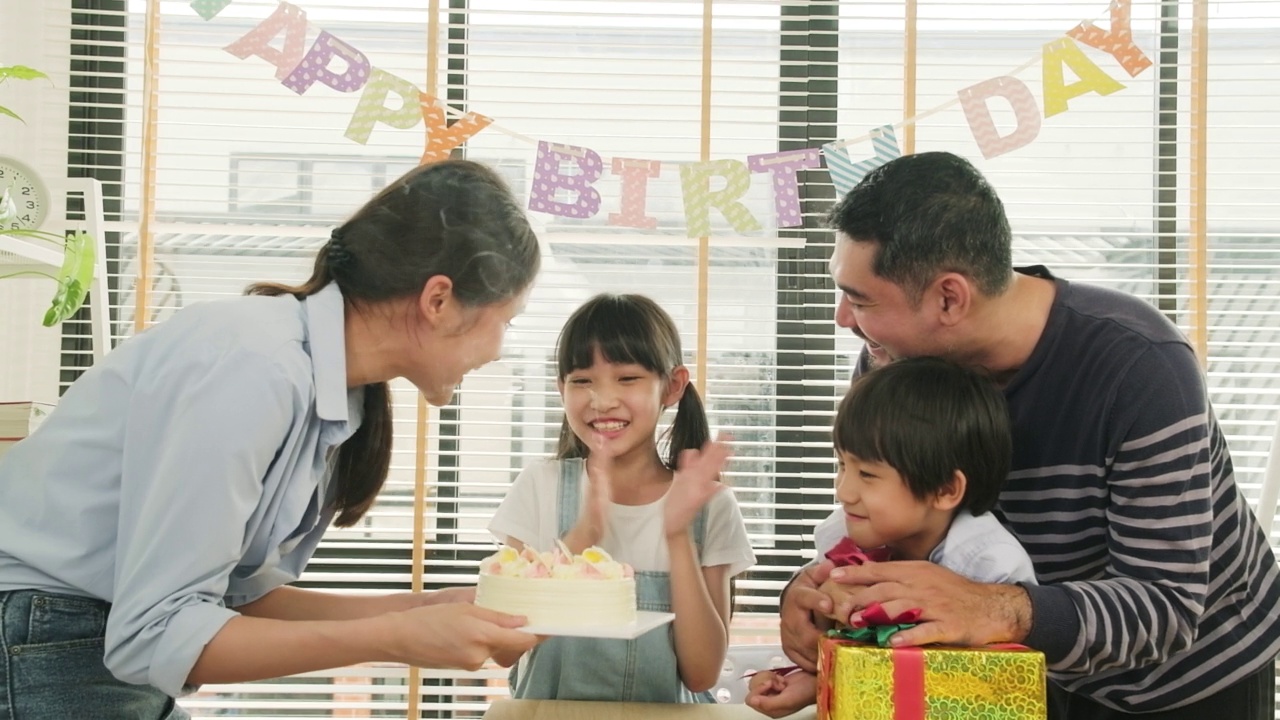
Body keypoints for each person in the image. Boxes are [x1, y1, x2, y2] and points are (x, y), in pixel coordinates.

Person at [0, 160, 544, 719]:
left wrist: (429, 608)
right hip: (38, 634)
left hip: (83, 640)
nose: (500, 348)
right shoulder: (254, 365)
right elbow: (155, 634)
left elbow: (239, 599)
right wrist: (398, 636)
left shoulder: (330, 392)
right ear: (438, 301)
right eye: (508, 319)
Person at [776, 151, 1280, 719]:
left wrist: (996, 608)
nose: (843, 318)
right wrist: (817, 589)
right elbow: (894, 516)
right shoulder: (892, 363)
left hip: (1191, 682)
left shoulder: (1140, 369)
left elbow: (1164, 607)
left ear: (949, 297)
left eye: (861, 299)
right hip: (1031, 670)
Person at [487, 293, 756, 703]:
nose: (602, 399)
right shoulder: (539, 486)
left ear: (672, 386)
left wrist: (677, 533)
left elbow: (701, 674)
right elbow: (504, 650)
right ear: (561, 389)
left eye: (627, 378)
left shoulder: (711, 504)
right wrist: (581, 537)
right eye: (582, 381)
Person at [746, 356, 1037, 717]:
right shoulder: (846, 534)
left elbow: (1000, 688)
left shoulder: (990, 565)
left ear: (945, 489)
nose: (844, 490)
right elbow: (863, 656)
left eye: (867, 474)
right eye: (841, 464)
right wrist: (814, 679)